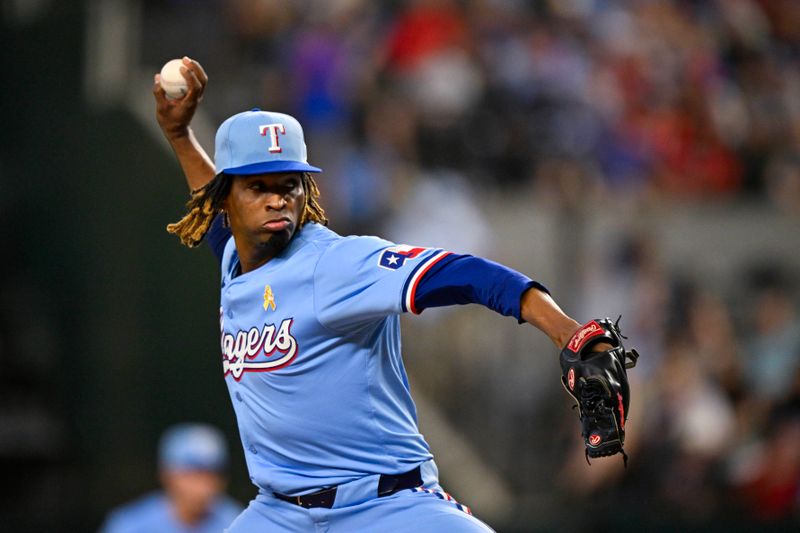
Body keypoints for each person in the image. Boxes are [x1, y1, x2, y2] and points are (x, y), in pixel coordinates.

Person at [152, 57, 611, 532]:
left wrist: (566, 331)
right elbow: (216, 222)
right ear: (226, 197)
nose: (277, 200)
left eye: (289, 185)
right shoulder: (236, 257)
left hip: (386, 506)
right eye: (257, 186)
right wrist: (180, 135)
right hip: (280, 514)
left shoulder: (335, 264)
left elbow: (465, 273)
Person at [99, 423, 243, 533]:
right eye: (192, 473)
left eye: (211, 473)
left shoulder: (239, 523)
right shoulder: (130, 525)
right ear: (167, 475)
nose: (203, 484)